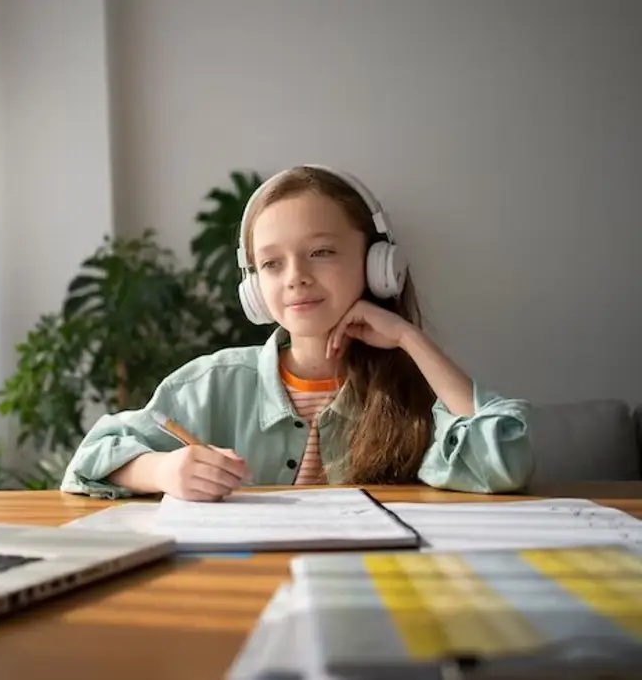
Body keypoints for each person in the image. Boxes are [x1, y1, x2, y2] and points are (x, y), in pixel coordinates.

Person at [60, 165, 533, 501]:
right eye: (271, 263)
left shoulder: (414, 393)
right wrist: (162, 469)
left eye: (321, 252)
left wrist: (411, 340)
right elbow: (91, 458)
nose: (295, 277)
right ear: (254, 286)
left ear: (379, 265)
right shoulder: (211, 385)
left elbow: (504, 459)